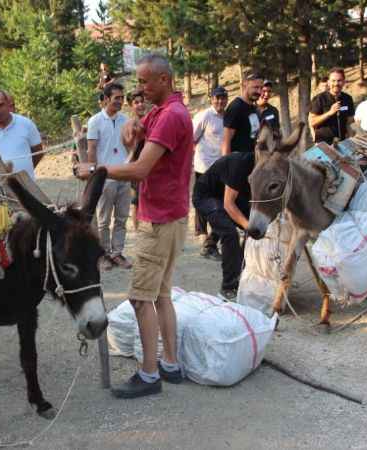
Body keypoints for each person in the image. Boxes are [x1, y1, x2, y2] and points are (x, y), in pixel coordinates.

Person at [76, 53, 191, 397]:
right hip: (173, 215)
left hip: (158, 220)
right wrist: (132, 134)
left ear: (163, 80)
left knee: (141, 299)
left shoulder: (170, 116)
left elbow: (139, 170)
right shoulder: (162, 111)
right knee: (162, 295)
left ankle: (150, 374)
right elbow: (136, 147)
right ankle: (170, 364)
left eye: (143, 82)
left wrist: (96, 169)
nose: (137, 89)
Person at [192, 152, 255, 300]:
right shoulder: (240, 164)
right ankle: (229, 286)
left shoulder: (266, 166)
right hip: (206, 196)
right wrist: (249, 226)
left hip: (224, 197)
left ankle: (245, 274)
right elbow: (229, 204)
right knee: (230, 233)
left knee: (253, 225)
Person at [87, 82, 132, 272]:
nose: (121, 102)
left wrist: (131, 166)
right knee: (104, 219)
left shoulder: (125, 120)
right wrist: (94, 175)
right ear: (106, 99)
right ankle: (103, 254)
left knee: (121, 217)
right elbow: (91, 149)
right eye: (117, 98)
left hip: (124, 175)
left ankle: (117, 252)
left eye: (122, 98)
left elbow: (131, 146)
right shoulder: (95, 121)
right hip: (105, 177)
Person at [192, 86, 228, 260]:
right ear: (211, 98)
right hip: (204, 167)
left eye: (223, 98)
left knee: (221, 204)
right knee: (202, 203)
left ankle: (211, 242)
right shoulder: (204, 116)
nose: (220, 101)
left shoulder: (228, 117)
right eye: (217, 98)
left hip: (222, 168)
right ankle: (203, 237)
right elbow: (191, 138)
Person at [0, 90, 43, 180]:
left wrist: (27, 169)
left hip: (28, 184)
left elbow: (38, 151)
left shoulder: (26, 124)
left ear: (8, 104)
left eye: (1, 105)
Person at [309, 67, 355, 144]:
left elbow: (349, 123)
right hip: (323, 143)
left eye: (339, 80)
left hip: (342, 142)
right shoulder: (319, 98)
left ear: (343, 82)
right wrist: (330, 113)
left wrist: (351, 139)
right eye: (333, 81)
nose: (336, 84)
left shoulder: (348, 98)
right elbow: (312, 122)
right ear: (329, 82)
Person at [221, 74, 263, 155]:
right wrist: (227, 165)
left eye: (261, 88)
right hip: (237, 162)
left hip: (252, 162)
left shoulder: (254, 108)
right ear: (245, 84)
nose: (259, 92)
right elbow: (226, 142)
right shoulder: (236, 108)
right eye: (256, 87)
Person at [126, 88, 148, 231]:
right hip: (136, 168)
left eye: (141, 102)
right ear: (131, 105)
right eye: (136, 102)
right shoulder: (131, 124)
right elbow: (130, 149)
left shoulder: (149, 120)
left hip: (152, 167)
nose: (140, 105)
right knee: (137, 202)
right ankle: (138, 231)